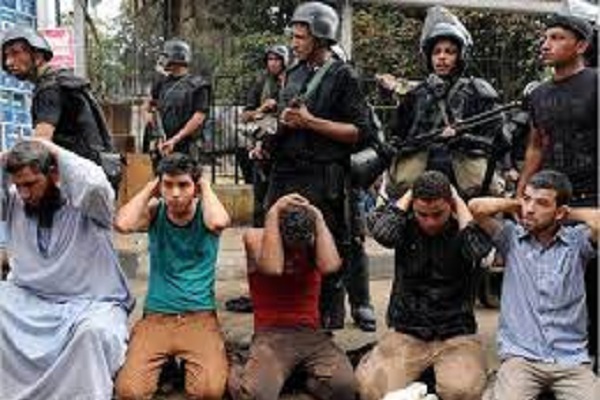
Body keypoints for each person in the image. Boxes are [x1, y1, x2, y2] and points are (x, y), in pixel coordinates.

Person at [267, 1, 372, 330]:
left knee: (327, 248)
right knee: (283, 245)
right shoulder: (293, 74)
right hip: (286, 174)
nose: (294, 43)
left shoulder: (343, 76)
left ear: (321, 38)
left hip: (324, 178)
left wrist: (310, 122)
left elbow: (359, 132)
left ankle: (327, 323)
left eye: (301, 37)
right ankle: (289, 318)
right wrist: (271, 133)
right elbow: (286, 118)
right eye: (294, 36)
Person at [0, 139, 133, 400]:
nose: (24, 193)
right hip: (29, 301)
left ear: (54, 174)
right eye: (18, 185)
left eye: (31, 184)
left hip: (89, 305)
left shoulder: (90, 206)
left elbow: (95, 184)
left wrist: (49, 148)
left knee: (92, 334)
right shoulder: (14, 202)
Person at [356, 171, 492, 400]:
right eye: (423, 214)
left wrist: (458, 201)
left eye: (438, 214)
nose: (430, 222)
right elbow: (382, 233)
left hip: (456, 335)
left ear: (450, 204)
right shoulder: (404, 224)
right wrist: (411, 193)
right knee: (371, 389)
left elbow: (477, 251)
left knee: (463, 392)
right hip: (408, 332)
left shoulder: (464, 225)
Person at [469, 170, 599, 400]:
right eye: (527, 199)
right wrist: (516, 203)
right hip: (521, 359)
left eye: (541, 203)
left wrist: (568, 213)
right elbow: (476, 207)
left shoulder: (577, 242)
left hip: (570, 360)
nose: (529, 209)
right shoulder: (510, 238)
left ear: (560, 212)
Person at [516, 13, 598, 371]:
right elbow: (536, 145)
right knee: (560, 278)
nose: (546, 44)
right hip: (553, 200)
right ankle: (562, 357)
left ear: (581, 45)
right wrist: (522, 191)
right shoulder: (538, 94)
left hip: (595, 196)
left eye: (557, 37)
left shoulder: (596, 83)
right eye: (545, 37)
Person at [114, 153, 230, 399]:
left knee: (208, 392)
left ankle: (185, 365)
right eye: (168, 185)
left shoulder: (207, 213)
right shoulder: (156, 212)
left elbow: (219, 222)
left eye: (183, 185)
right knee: (129, 392)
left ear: (195, 187)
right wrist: (150, 188)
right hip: (157, 316)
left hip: (199, 316)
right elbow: (123, 224)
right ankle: (169, 366)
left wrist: (205, 186)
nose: (175, 193)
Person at [228, 193, 357, 400]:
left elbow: (330, 266)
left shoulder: (315, 241)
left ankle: (294, 375)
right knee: (256, 395)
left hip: (311, 334)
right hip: (271, 336)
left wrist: (318, 218)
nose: (296, 249)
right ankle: (238, 362)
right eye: (290, 242)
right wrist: (273, 213)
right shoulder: (255, 237)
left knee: (345, 389)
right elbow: (273, 268)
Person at [386, 6, 505, 201]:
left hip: (466, 179)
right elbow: (398, 135)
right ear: (429, 57)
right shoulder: (415, 95)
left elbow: (499, 138)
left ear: (460, 56)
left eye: (449, 52)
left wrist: (464, 138)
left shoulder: (478, 92)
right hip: (418, 180)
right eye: (437, 52)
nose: (442, 57)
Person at [1, 27, 122, 192]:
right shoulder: (63, 79)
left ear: (38, 55)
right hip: (98, 172)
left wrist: (6, 158)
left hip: (82, 179)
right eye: (6, 56)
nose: (9, 62)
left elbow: (39, 145)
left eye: (15, 53)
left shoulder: (49, 88)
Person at [242, 44, 290, 227]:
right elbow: (245, 116)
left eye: (277, 59)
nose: (273, 63)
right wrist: (262, 108)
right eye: (270, 59)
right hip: (263, 148)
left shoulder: (293, 82)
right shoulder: (261, 83)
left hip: (287, 148)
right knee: (260, 198)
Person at [144, 39, 211, 164]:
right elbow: (150, 108)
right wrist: (158, 135)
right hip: (162, 144)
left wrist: (175, 139)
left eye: (166, 56)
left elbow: (199, 117)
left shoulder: (198, 85)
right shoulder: (161, 83)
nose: (162, 60)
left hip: (186, 145)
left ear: (176, 58)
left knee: (185, 174)